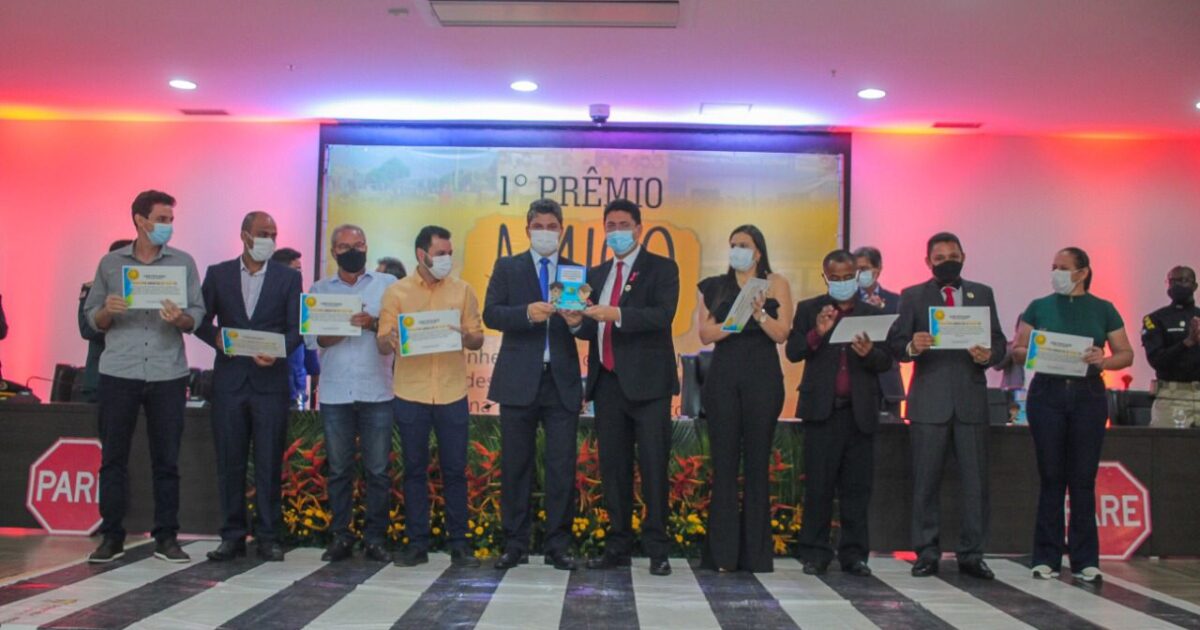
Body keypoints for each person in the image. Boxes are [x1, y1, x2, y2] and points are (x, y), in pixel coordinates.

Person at [81, 190, 205, 563]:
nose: (168, 226)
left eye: (171, 220)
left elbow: (197, 312)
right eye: (161, 219)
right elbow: (92, 318)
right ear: (140, 219)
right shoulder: (110, 264)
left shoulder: (183, 262)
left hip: (168, 371)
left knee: (167, 459)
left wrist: (182, 318)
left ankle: (166, 536)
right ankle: (111, 536)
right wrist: (107, 311)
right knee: (113, 458)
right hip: (120, 370)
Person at [887, 231, 1006, 579]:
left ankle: (972, 554)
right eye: (940, 258)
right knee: (925, 482)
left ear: (963, 257)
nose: (947, 263)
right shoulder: (912, 296)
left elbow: (999, 342)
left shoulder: (982, 293)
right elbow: (895, 343)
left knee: (976, 483)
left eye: (953, 256)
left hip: (971, 400)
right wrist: (913, 346)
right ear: (928, 262)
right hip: (928, 402)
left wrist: (989, 355)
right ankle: (926, 551)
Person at [1011, 247, 1133, 582]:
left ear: (1082, 272)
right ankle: (1045, 557)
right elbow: (1018, 349)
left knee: (1082, 478)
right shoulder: (1039, 306)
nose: (1056, 273)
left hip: (1088, 394)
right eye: (1054, 267)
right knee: (1051, 476)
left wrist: (1102, 360)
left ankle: (1085, 560)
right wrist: (1035, 349)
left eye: (1063, 268)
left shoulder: (1103, 309)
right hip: (1047, 393)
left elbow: (1125, 354)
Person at [574, 199, 680, 577]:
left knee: (653, 468)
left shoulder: (662, 268)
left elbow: (662, 315)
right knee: (614, 470)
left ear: (638, 227)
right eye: (610, 225)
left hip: (649, 386)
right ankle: (617, 546)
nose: (616, 231)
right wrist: (575, 322)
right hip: (608, 383)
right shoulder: (596, 274)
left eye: (623, 224)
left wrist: (616, 313)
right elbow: (592, 327)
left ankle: (657, 550)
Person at [196, 211, 302, 562]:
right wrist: (217, 339)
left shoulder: (289, 278)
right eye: (263, 233)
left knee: (269, 462)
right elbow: (200, 320)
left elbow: (296, 329)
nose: (269, 239)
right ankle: (232, 536)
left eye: (273, 233)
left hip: (270, 383)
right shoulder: (219, 274)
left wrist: (279, 352)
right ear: (244, 235)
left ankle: (269, 536)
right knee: (230, 461)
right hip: (230, 382)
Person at [483, 199, 582, 571]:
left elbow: (588, 327)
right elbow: (491, 313)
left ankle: (559, 545)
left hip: (561, 382)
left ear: (562, 230)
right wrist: (526, 313)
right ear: (527, 230)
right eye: (538, 226)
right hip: (518, 380)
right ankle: (515, 543)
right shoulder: (508, 267)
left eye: (552, 226)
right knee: (516, 465)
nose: (545, 232)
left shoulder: (575, 271)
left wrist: (576, 322)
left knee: (561, 467)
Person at [377, 226, 485, 568]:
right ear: (421, 255)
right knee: (413, 470)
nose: (446, 260)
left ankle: (459, 544)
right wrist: (391, 338)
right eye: (440, 254)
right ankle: (417, 543)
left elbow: (477, 338)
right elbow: (382, 342)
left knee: (455, 470)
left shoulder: (463, 290)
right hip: (411, 392)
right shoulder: (397, 292)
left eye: (450, 253)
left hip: (452, 391)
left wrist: (467, 336)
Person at [786, 249, 890, 577]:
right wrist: (817, 332)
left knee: (857, 489)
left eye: (848, 277)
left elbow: (887, 360)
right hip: (822, 411)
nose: (843, 282)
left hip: (859, 412)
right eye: (836, 278)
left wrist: (870, 353)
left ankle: (854, 555)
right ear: (825, 277)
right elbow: (793, 351)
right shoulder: (810, 309)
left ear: (857, 276)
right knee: (818, 487)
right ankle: (815, 554)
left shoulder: (871, 312)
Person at [697, 225, 792, 573]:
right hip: (723, 379)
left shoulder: (775, 283)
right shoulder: (715, 286)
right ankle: (721, 554)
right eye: (733, 244)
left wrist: (759, 314)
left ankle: (755, 555)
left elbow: (782, 333)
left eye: (744, 245)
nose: (737, 250)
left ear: (758, 251)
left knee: (756, 464)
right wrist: (733, 323)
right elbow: (705, 333)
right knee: (723, 465)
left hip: (762, 379)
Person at [306, 225, 397, 563]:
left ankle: (375, 539)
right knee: (339, 470)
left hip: (378, 390)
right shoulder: (319, 289)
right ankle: (341, 536)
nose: (353, 251)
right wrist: (339, 329)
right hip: (335, 392)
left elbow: (398, 328)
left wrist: (370, 323)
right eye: (345, 247)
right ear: (333, 252)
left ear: (367, 247)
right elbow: (313, 340)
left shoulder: (388, 285)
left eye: (358, 245)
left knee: (378, 471)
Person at [1142, 265, 1200, 428]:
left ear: (1195, 286)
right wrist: (1186, 343)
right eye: (1173, 281)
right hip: (1171, 396)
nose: (1178, 285)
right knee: (1168, 444)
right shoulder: (1155, 319)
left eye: (1184, 280)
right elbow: (1156, 360)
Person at [78, 240, 133, 403]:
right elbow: (87, 330)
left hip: (136, 377)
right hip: (99, 377)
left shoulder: (143, 290)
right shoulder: (94, 289)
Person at [854, 246, 904, 419]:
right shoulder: (848, 300)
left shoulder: (896, 301)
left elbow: (901, 337)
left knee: (890, 432)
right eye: (855, 269)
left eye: (864, 269)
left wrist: (881, 313)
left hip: (887, 382)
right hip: (855, 378)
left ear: (878, 269)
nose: (859, 274)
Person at [272, 248, 320, 409]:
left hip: (295, 389)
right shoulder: (265, 302)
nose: (299, 275)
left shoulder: (302, 303)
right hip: (267, 385)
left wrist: (315, 372)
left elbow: (309, 346)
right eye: (296, 270)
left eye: (300, 270)